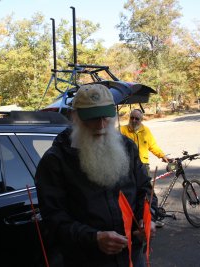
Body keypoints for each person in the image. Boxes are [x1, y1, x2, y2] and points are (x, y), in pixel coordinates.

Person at [35, 84, 157, 267]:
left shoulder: (127, 147)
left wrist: (147, 218)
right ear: (76, 117)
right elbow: (53, 217)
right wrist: (94, 238)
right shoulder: (56, 160)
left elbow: (144, 188)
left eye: (106, 117)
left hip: (132, 254)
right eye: (92, 118)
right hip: (87, 259)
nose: (100, 125)